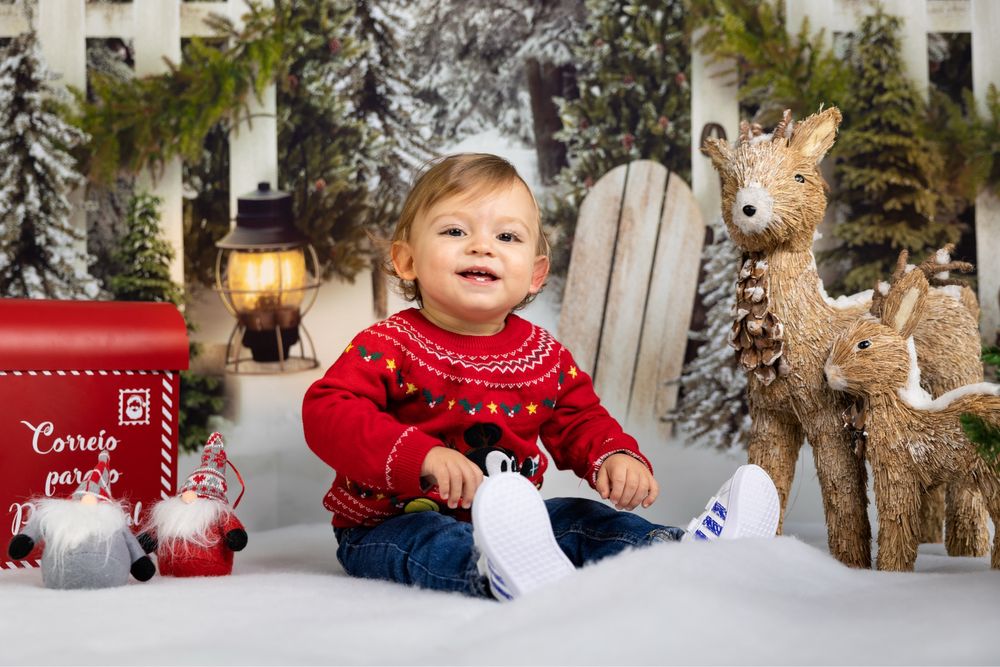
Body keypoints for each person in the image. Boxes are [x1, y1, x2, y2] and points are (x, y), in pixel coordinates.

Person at [302, 153, 779, 601]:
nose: (482, 246)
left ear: (535, 274)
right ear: (406, 260)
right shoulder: (390, 344)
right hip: (389, 524)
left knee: (582, 518)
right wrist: (420, 454)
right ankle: (491, 574)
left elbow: (580, 418)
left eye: (507, 237)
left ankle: (680, 553)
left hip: (513, 526)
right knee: (433, 539)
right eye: (454, 230)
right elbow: (329, 411)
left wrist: (613, 455)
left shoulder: (542, 355)